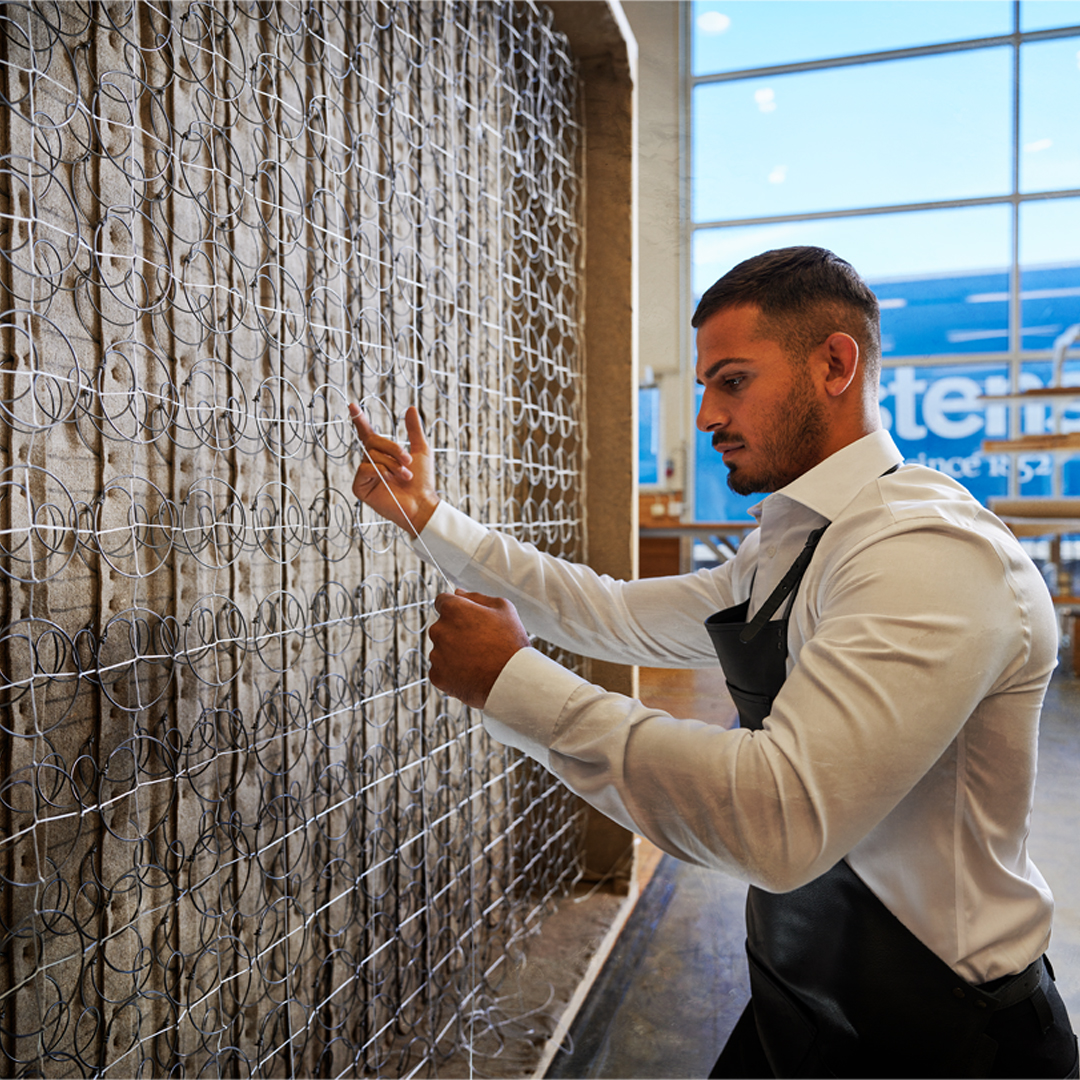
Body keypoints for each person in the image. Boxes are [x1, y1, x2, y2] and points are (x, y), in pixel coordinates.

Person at [349, 246, 1078, 1078]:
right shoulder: (797, 542)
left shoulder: (928, 552)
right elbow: (612, 612)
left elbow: (780, 818)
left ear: (835, 363)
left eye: (731, 380)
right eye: (705, 386)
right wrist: (430, 518)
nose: (704, 415)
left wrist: (514, 683)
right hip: (800, 996)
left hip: (947, 1041)